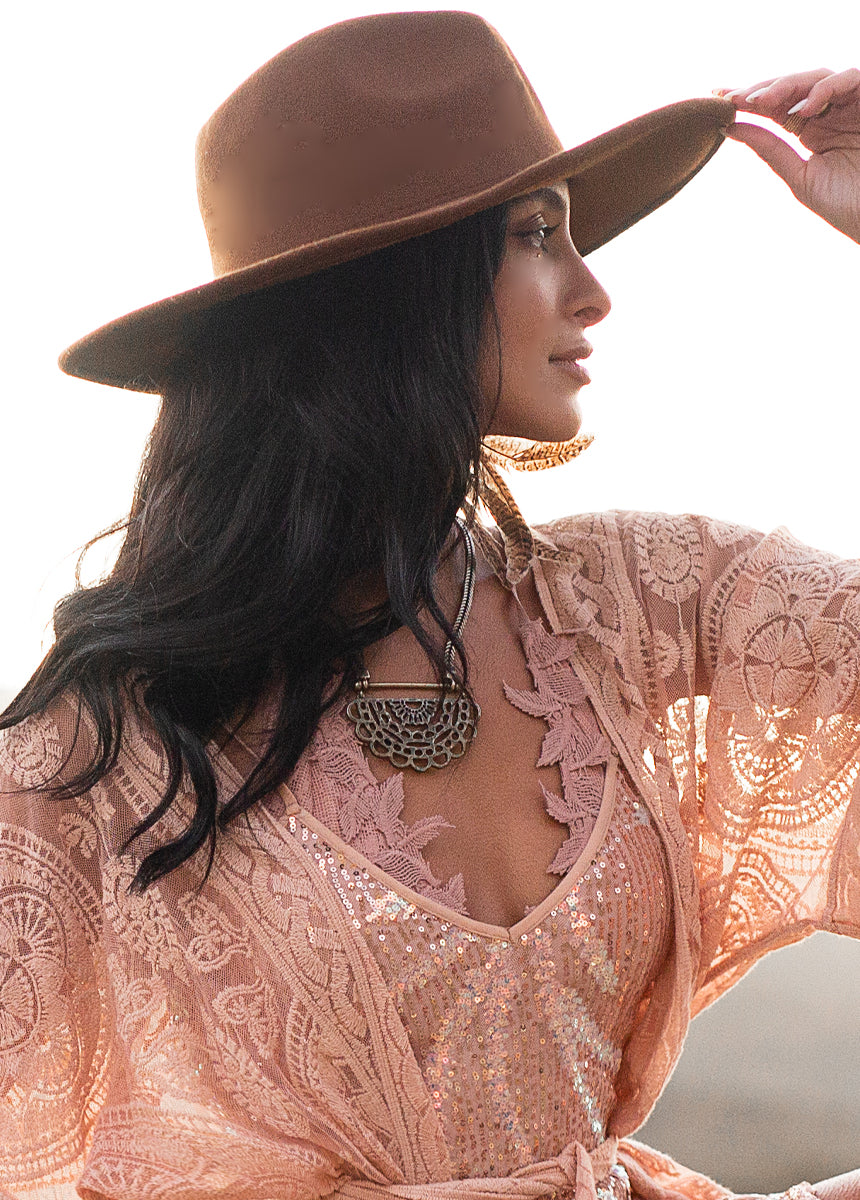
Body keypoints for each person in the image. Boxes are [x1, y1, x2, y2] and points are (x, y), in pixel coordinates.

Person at [0, 10, 857, 1200]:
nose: (592, 291)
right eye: (535, 235)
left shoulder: (639, 604)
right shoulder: (104, 739)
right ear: (391, 290)